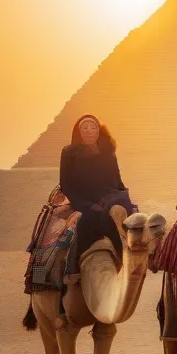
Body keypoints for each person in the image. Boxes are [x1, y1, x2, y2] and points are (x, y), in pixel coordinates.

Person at [58, 114, 136, 270]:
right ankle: (72, 267)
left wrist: (127, 199)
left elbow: (117, 182)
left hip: (108, 197)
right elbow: (66, 185)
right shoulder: (69, 153)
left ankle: (128, 265)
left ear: (99, 131)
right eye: (84, 128)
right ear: (78, 132)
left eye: (93, 127)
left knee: (132, 221)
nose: (89, 131)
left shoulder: (108, 154)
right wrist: (86, 204)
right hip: (82, 198)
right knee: (92, 218)